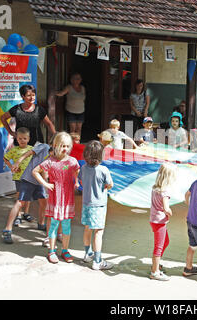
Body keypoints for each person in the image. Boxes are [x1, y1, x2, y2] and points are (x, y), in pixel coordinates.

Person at [32, 132, 80, 264]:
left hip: (67, 198)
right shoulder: (50, 161)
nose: (65, 149)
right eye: (62, 146)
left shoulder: (72, 161)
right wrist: (45, 183)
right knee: (53, 225)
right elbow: (35, 171)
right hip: (55, 198)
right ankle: (52, 251)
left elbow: (76, 169)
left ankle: (65, 250)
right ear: (55, 145)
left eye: (67, 146)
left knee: (66, 225)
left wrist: (76, 181)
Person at [10, 138, 54, 247]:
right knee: (20, 202)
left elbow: (46, 171)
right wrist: (18, 161)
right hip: (28, 178)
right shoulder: (44, 146)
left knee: (44, 202)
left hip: (39, 182)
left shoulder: (55, 156)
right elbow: (29, 153)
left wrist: (46, 181)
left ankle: (41, 223)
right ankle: (7, 229)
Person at [80, 140, 114, 270]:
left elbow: (81, 181)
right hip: (98, 205)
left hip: (86, 203)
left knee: (87, 229)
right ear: (101, 155)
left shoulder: (83, 168)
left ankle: (87, 254)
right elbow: (110, 185)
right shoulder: (103, 170)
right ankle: (97, 261)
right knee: (98, 232)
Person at [1, 127, 34, 244]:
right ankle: (18, 215)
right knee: (20, 197)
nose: (22, 141)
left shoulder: (32, 149)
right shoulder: (14, 150)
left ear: (29, 139)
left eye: (25, 138)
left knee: (28, 198)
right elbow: (5, 158)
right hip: (19, 178)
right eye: (20, 138)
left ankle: (26, 213)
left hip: (30, 178)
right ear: (16, 139)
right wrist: (11, 168)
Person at [149, 163, 178, 281]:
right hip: (160, 222)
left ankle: (156, 263)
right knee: (159, 246)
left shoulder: (155, 188)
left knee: (165, 241)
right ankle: (155, 272)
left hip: (154, 220)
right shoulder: (165, 193)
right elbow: (166, 208)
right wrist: (170, 212)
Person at [54, 72, 86, 138]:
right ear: (71, 80)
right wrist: (53, 92)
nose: (77, 80)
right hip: (71, 111)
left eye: (79, 78)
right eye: (75, 78)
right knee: (73, 129)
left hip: (81, 111)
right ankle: (72, 144)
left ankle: (77, 143)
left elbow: (84, 99)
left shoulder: (83, 88)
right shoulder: (69, 87)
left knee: (79, 129)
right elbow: (61, 93)